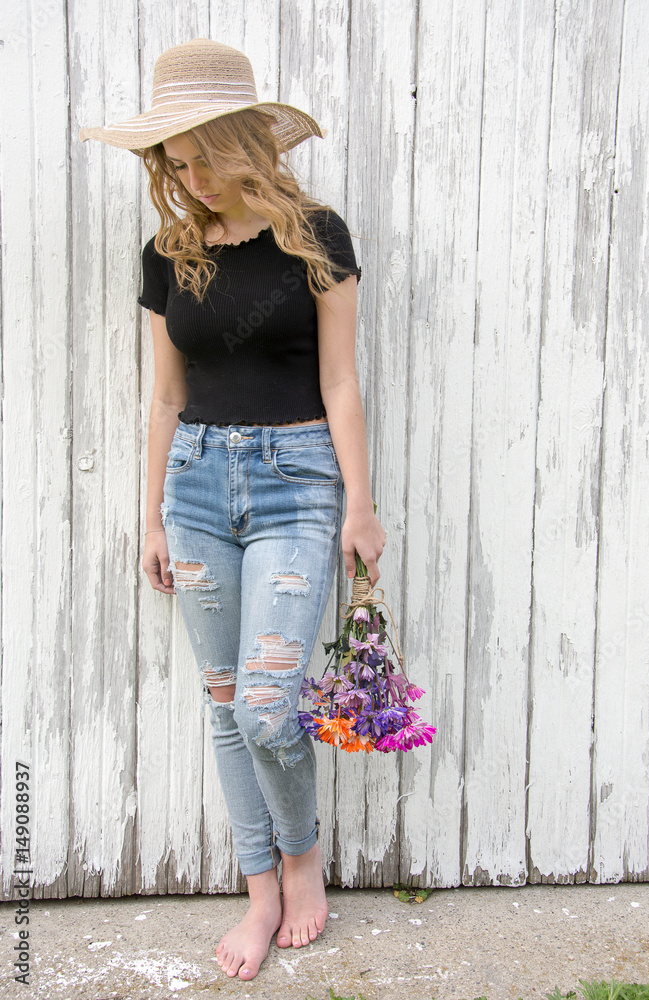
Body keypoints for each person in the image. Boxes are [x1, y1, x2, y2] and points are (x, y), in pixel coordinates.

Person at [80, 38, 385, 982]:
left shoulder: (316, 235)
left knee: (265, 706)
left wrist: (361, 508)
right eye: (175, 162)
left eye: (204, 154)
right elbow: (165, 396)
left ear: (247, 140)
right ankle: (261, 893)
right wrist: (153, 514)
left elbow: (340, 380)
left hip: (297, 479)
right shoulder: (167, 252)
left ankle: (305, 864)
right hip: (198, 483)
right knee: (224, 707)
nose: (192, 177)